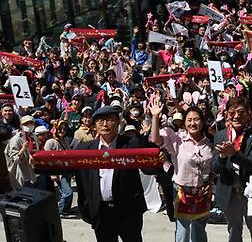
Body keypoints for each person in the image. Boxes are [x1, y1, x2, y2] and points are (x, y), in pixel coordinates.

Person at [75, 106, 159, 242]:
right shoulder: (85, 148)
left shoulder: (131, 144)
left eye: (109, 120)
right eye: (100, 121)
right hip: (101, 212)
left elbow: (151, 163)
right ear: (95, 125)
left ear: (118, 122)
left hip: (128, 212)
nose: (105, 124)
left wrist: (155, 118)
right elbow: (77, 175)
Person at [150, 95, 214, 242]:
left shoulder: (210, 141)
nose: (193, 123)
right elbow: (156, 140)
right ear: (184, 123)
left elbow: (213, 167)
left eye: (196, 119)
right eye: (189, 120)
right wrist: (155, 117)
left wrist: (210, 184)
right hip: (182, 192)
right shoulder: (177, 139)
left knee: (199, 230)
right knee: (182, 232)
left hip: (203, 192)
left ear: (202, 121)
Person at [213, 97, 252, 242]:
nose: (237, 116)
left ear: (249, 114)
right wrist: (222, 156)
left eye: (241, 112)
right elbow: (215, 168)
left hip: (251, 191)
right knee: (233, 231)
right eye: (232, 112)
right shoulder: (220, 135)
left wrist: (234, 154)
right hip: (229, 192)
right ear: (226, 114)